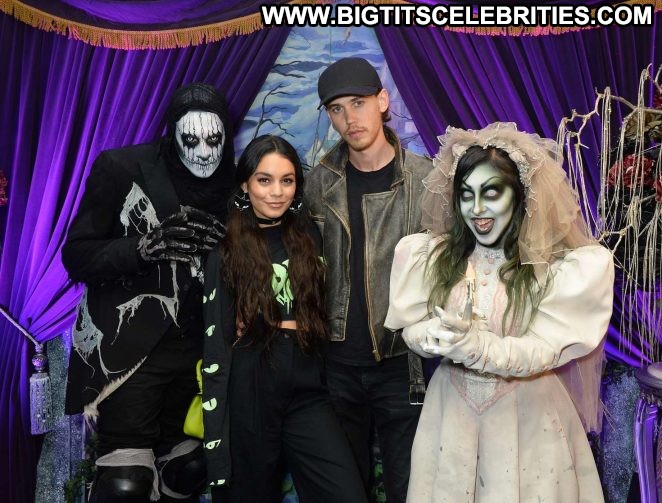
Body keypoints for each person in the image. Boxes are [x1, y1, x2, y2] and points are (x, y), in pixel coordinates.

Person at [385, 122, 614, 502]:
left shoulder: (555, 269)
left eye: (491, 193)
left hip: (528, 419)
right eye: (466, 195)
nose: (477, 209)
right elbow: (412, 326)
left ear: (520, 195)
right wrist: (432, 336)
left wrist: (476, 347)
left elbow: (544, 349)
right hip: (451, 413)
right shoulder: (434, 256)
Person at [62, 83, 233, 502]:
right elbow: (77, 255)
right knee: (126, 482)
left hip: (200, 354)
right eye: (191, 140)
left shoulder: (238, 183)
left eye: (214, 140)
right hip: (133, 352)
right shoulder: (122, 168)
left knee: (191, 469)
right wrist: (141, 248)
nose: (203, 152)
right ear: (172, 134)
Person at [201, 134, 367, 503]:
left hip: (307, 384)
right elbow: (217, 347)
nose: (277, 192)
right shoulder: (225, 250)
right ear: (245, 185)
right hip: (252, 381)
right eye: (265, 180)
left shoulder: (308, 236)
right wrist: (217, 442)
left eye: (287, 180)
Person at [304, 57, 433, 502]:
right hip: (337, 364)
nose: (349, 119)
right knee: (344, 490)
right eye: (336, 109)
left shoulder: (424, 180)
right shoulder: (318, 183)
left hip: (403, 364)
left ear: (382, 100)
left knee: (409, 489)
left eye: (358, 103)